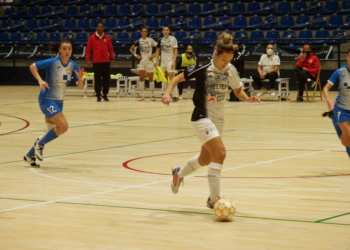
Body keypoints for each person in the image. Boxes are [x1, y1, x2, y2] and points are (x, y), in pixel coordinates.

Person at [161, 33, 260, 208]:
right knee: (220, 154)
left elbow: (237, 91)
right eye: (223, 59)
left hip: (218, 120)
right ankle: (213, 200)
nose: (226, 63)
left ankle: (179, 173)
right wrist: (167, 94)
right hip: (201, 117)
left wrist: (248, 98)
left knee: (206, 158)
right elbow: (177, 78)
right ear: (215, 54)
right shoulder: (202, 69)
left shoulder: (230, 70)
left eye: (229, 59)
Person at [23, 39, 86, 167]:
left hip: (59, 102)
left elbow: (80, 87)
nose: (67, 51)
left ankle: (29, 155)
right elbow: (32, 66)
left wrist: (80, 79)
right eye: (64, 49)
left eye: (69, 49)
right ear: (59, 50)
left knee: (49, 132)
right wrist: (40, 80)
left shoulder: (72, 65)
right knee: (63, 127)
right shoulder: (52, 62)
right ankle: (39, 145)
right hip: (47, 99)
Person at [322, 49, 350, 158]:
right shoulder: (340, 72)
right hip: (342, 109)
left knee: (347, 142)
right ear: (347, 57)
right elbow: (326, 88)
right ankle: (335, 116)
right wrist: (328, 100)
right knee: (348, 137)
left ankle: (333, 117)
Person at [86, 21, 115, 102]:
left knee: (106, 78)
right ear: (96, 28)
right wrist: (88, 59)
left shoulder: (107, 37)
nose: (100, 28)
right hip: (96, 61)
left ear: (103, 28)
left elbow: (110, 48)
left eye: (102, 27)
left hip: (106, 61)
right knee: (97, 78)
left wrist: (112, 58)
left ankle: (105, 94)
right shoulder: (92, 38)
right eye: (99, 27)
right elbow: (88, 50)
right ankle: (98, 94)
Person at [129, 27, 157, 101]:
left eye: (145, 31)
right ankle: (142, 95)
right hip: (142, 62)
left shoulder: (150, 40)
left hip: (149, 62)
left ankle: (152, 95)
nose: (144, 32)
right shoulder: (138, 41)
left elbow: (158, 48)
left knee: (151, 79)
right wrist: (136, 55)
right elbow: (131, 49)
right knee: (141, 78)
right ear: (141, 32)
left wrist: (153, 55)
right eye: (143, 31)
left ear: (147, 33)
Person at [155, 26, 178, 96]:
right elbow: (157, 51)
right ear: (162, 31)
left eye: (167, 30)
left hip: (170, 61)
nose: (165, 31)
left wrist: (174, 61)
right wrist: (156, 62)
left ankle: (175, 95)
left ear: (169, 31)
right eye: (164, 30)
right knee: (165, 78)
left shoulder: (173, 39)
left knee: (172, 78)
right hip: (163, 61)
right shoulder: (160, 40)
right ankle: (167, 94)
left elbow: (176, 50)